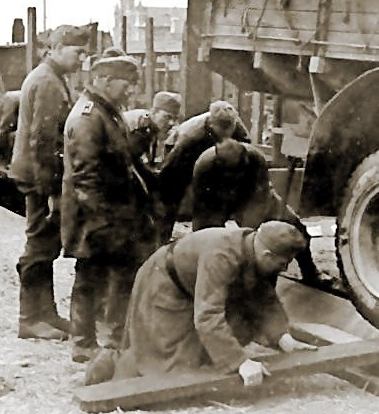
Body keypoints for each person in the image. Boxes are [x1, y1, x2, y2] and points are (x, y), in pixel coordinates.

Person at [84, 221, 319, 386]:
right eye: (283, 262)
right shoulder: (222, 255)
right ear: (267, 254)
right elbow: (207, 316)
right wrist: (240, 362)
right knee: (166, 365)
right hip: (164, 283)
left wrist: (284, 339)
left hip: (191, 288)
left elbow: (265, 298)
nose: (285, 268)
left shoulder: (255, 248)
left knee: (196, 360)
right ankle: (108, 363)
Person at [62, 55, 147, 361]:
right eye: (127, 84)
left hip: (111, 210)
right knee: (90, 275)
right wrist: (101, 221)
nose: (130, 91)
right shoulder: (88, 117)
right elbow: (86, 176)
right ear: (105, 81)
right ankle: (85, 344)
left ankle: (113, 340)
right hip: (95, 214)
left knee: (117, 273)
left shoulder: (107, 112)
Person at [9, 24, 88, 340]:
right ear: (55, 48)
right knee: (39, 246)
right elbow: (42, 142)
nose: (82, 58)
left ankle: (46, 313)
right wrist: (52, 191)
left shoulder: (51, 78)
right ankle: (29, 318)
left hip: (38, 175)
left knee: (46, 245)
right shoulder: (48, 83)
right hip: (40, 177)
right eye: (77, 51)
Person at [191, 137, 325, 287]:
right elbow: (201, 211)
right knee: (208, 242)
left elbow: (260, 204)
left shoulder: (255, 159)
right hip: (216, 199)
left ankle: (310, 273)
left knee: (296, 229)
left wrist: (259, 240)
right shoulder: (204, 166)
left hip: (250, 195)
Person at [157, 100, 252, 240]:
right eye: (222, 128)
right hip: (183, 154)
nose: (226, 134)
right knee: (171, 194)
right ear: (212, 123)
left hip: (216, 155)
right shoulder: (190, 137)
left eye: (229, 128)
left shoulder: (239, 131)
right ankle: (162, 236)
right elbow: (169, 173)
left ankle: (214, 230)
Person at [123, 90, 182, 168]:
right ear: (154, 112)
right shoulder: (132, 122)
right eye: (167, 117)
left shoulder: (158, 131)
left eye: (175, 119)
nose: (172, 123)